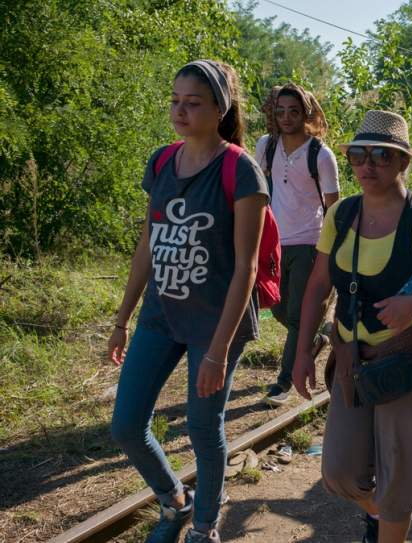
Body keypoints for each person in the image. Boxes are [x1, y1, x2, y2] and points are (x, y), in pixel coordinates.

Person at [291, 110, 412, 543]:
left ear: (403, 163)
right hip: (353, 357)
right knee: (339, 472)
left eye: (382, 156)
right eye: (358, 155)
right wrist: (300, 354)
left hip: (411, 358)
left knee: (401, 478)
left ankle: (390, 526)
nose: (367, 166)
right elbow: (318, 286)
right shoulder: (341, 215)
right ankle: (383, 517)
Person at [108, 60, 268, 543]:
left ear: (220, 108)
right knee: (126, 426)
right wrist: (122, 319)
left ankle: (204, 525)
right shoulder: (160, 160)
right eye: (175, 99)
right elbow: (146, 245)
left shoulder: (241, 169)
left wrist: (218, 351)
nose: (180, 109)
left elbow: (247, 267)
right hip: (161, 316)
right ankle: (175, 500)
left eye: (193, 102)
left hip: (215, 324)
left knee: (203, 427)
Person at [255, 83, 341, 407]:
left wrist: (334, 252)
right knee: (277, 306)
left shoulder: (321, 154)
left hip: (310, 243)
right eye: (280, 111)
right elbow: (258, 193)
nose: (286, 117)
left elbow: (334, 208)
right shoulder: (265, 146)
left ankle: (283, 383)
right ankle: (315, 338)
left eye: (293, 111)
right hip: (275, 244)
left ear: (305, 113)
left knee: (295, 316)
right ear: (273, 115)